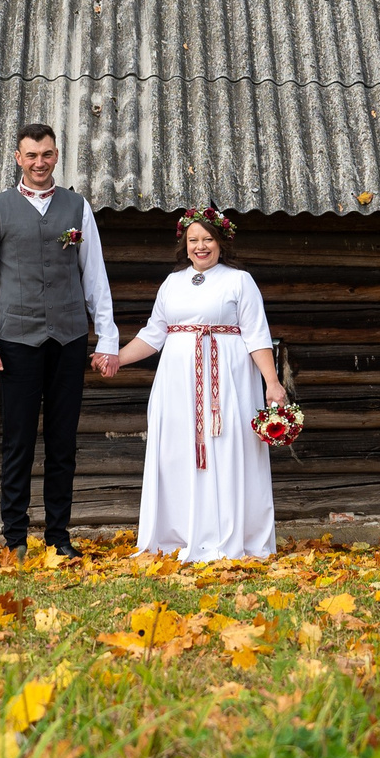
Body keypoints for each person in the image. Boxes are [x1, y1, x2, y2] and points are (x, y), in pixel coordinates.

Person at [0, 123, 119, 557]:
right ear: (18, 157)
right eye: (31, 155)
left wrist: (107, 337)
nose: (39, 163)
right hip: (17, 341)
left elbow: (95, 278)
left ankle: (58, 537)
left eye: (46, 154)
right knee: (18, 441)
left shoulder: (77, 208)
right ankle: (15, 539)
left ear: (55, 155)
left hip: (68, 338)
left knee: (63, 441)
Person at [115, 208, 285, 562]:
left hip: (228, 382)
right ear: (184, 244)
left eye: (208, 239)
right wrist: (117, 358)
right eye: (193, 240)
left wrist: (272, 382)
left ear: (221, 242)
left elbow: (257, 335)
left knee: (226, 447)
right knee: (178, 452)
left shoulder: (239, 281)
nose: (201, 246)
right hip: (178, 384)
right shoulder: (172, 282)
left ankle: (230, 535)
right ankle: (179, 534)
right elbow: (153, 334)